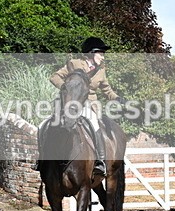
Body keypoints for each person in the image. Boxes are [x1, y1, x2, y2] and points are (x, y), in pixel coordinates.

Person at [50, 36, 124, 176]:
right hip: (71, 101)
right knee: (47, 123)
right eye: (101, 54)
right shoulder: (74, 64)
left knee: (95, 124)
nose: (103, 57)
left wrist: (117, 98)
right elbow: (54, 77)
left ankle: (100, 161)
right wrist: (66, 89)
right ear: (91, 53)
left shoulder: (101, 71)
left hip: (89, 105)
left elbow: (107, 90)